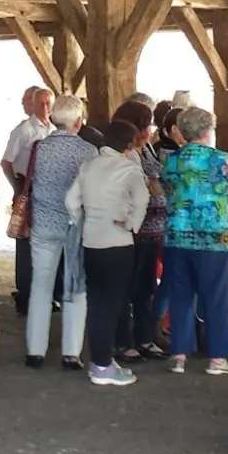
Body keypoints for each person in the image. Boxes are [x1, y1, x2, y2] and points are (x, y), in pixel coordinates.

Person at [65, 120, 147, 386]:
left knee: (96, 303)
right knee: (111, 306)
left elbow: (71, 201)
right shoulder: (129, 169)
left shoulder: (88, 166)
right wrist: (132, 223)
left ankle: (99, 361)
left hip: (91, 241)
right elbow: (143, 199)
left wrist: (82, 219)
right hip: (118, 242)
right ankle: (102, 366)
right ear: (129, 145)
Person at [24, 94, 97, 370]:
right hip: (74, 225)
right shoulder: (88, 151)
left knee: (41, 285)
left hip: (43, 224)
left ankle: (35, 351)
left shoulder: (38, 147)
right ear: (78, 121)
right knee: (75, 287)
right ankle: (71, 353)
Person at [161, 106, 228, 376]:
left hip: (176, 235)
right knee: (216, 297)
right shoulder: (221, 159)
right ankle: (217, 359)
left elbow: (167, 192)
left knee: (180, 295)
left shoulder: (171, 160)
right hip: (214, 237)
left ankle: (179, 355)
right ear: (208, 130)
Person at [112, 101, 166, 362]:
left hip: (151, 230)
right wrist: (154, 183)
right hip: (134, 230)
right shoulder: (126, 153)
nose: (150, 130)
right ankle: (123, 342)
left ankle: (144, 338)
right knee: (127, 288)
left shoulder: (146, 149)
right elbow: (146, 186)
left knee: (146, 287)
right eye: (147, 125)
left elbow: (155, 182)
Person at [1, 87, 54, 316]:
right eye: (40, 102)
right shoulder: (24, 130)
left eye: (48, 103)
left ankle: (45, 294)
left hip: (48, 189)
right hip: (26, 185)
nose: (45, 107)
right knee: (25, 242)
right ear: (32, 103)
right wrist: (18, 187)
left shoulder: (53, 130)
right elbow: (6, 162)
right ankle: (25, 296)